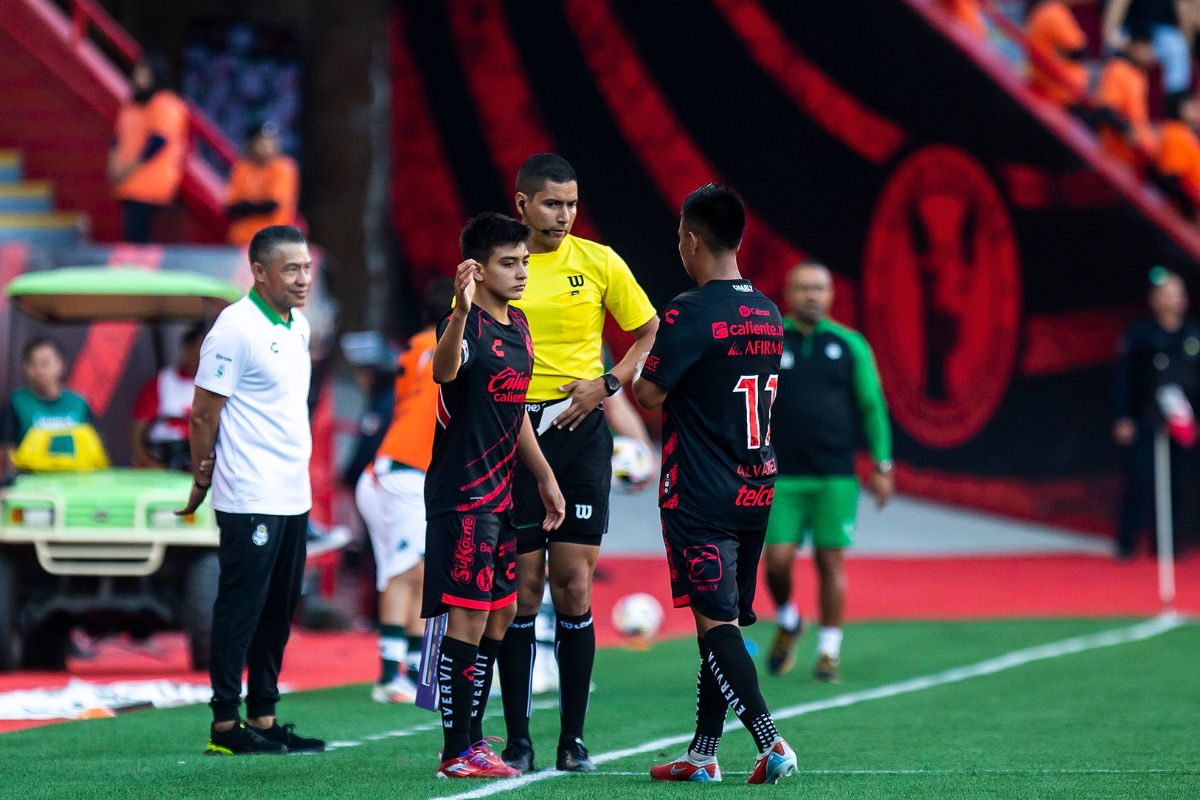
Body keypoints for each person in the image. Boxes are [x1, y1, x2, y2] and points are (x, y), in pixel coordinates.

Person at [497, 153, 659, 773]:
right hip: (514, 431)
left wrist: (608, 384)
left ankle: (573, 739)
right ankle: (517, 738)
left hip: (580, 431)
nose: (563, 215)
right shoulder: (501, 263)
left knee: (573, 585)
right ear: (522, 204)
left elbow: (647, 331)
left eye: (570, 204)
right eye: (550, 204)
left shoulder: (598, 260)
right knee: (521, 590)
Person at [634, 183, 797, 785]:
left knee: (714, 626)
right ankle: (703, 754)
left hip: (699, 491)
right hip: (756, 487)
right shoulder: (767, 311)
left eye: (680, 236)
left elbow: (648, 393)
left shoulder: (688, 311)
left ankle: (770, 742)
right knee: (721, 621)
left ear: (693, 240)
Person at [422, 213, 565, 779]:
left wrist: (546, 477)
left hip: (501, 496)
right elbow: (443, 370)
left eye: (525, 261)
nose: (522, 271)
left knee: (502, 615)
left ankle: (471, 737)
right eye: (510, 263)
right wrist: (458, 311)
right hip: (462, 498)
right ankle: (458, 750)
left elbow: (516, 413)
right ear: (477, 270)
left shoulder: (521, 326)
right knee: (468, 618)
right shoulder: (464, 326)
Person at [176, 225, 323, 756]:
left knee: (279, 609)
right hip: (248, 495)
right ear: (259, 272)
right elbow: (201, 414)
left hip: (293, 494)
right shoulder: (233, 328)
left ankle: (262, 715)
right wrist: (201, 477)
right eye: (291, 269)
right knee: (242, 607)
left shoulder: (299, 326)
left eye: (306, 267)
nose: (304, 278)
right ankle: (224, 726)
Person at [762, 263, 894, 684]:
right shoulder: (769, 338)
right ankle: (788, 619)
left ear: (833, 293)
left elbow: (872, 405)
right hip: (780, 474)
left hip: (835, 475)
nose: (812, 296)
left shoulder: (849, 344)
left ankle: (828, 652)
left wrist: (882, 465)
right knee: (777, 562)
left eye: (819, 288)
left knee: (829, 561)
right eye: (803, 288)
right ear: (788, 292)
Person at [355, 279, 453, 704]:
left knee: (417, 571)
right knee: (406, 573)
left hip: (396, 471)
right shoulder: (448, 347)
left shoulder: (414, 346)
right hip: (403, 473)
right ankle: (388, 675)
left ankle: (411, 670)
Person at [1113, 268, 1200, 560]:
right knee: (1139, 479)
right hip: (1146, 417)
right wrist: (1123, 415)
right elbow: (1125, 377)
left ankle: (1169, 543)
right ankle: (1127, 542)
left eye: (1177, 294)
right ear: (1154, 300)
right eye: (1166, 294)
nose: (1172, 300)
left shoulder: (1192, 335)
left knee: (1179, 481)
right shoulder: (1141, 334)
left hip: (1182, 420)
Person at [108, 55, 189, 243]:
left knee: (137, 232)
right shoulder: (131, 105)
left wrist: (126, 169)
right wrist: (113, 168)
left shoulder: (166, 103)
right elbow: (117, 139)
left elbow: (158, 142)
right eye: (138, 72)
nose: (139, 77)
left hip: (150, 181)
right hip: (127, 181)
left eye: (145, 73)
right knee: (131, 232)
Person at [0, 338, 106, 473]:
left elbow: (97, 447)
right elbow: (7, 451)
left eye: (45, 363)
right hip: (32, 484)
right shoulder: (15, 403)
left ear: (60, 365)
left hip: (77, 481)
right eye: (32, 364)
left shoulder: (79, 403)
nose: (39, 370)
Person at [132, 324, 204, 471]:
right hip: (167, 455)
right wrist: (149, 463)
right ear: (186, 349)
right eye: (200, 348)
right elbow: (138, 430)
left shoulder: (219, 385)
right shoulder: (161, 382)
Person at [226, 122, 300, 247]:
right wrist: (254, 206)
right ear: (251, 143)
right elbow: (231, 208)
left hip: (274, 242)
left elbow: (271, 206)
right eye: (261, 141)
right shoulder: (242, 167)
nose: (267, 146)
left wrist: (247, 206)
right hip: (241, 239)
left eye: (270, 141)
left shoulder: (284, 167)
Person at [1102, 0, 1195, 95]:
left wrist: (1188, 46)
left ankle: (1175, 101)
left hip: (1164, 34)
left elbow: (1183, 13)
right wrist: (1132, 47)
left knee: (1178, 49)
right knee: (1115, 38)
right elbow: (1112, 21)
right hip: (1131, 31)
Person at [1096, 30, 1159, 169]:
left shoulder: (1140, 76)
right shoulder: (1118, 69)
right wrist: (1127, 128)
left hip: (1136, 158)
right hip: (1116, 157)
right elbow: (1105, 111)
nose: (1149, 52)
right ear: (1131, 47)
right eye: (1145, 47)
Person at [1026, 1, 1089, 110]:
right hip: (1057, 93)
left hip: (1054, 88)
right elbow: (1080, 49)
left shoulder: (1050, 10)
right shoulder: (1053, 12)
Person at [1155, 92, 1200, 217]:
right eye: (1192, 106)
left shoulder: (1186, 135)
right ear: (1179, 108)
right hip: (1182, 211)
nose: (1197, 111)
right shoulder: (1176, 134)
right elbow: (1172, 179)